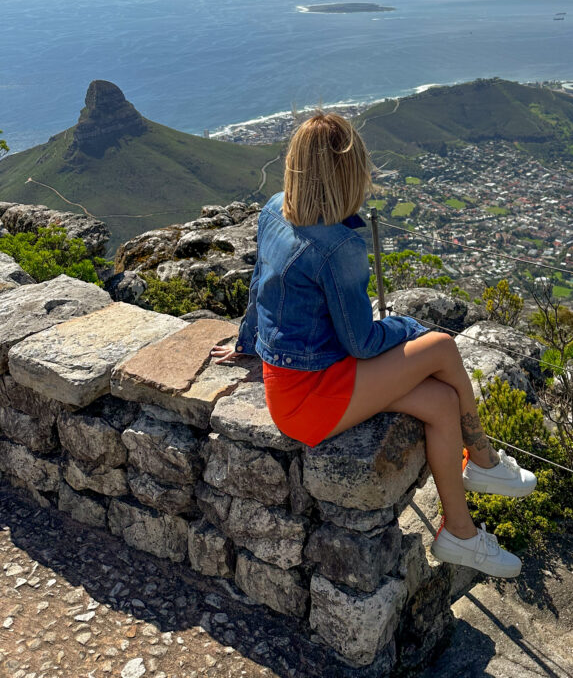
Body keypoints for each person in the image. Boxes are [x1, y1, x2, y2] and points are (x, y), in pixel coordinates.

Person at [211, 111, 536, 578]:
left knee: (442, 402)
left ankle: (459, 534)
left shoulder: (274, 208)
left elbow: (259, 282)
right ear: (349, 172)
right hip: (309, 398)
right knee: (441, 346)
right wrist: (407, 327)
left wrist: (246, 340)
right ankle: (484, 460)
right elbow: (362, 342)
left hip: (295, 380)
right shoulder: (336, 246)